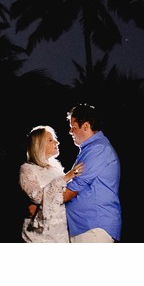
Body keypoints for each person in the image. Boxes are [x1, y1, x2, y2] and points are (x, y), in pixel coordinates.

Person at [63, 103, 122, 242]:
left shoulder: (98, 149)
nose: (70, 132)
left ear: (86, 126)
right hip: (85, 227)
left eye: (73, 127)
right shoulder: (90, 149)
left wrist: (42, 202)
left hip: (93, 228)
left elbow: (72, 190)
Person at [19, 125, 83, 242]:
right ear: (39, 145)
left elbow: (64, 195)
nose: (57, 142)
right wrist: (66, 177)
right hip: (39, 235)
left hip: (61, 232)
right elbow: (38, 197)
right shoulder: (27, 169)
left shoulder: (56, 169)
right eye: (50, 140)